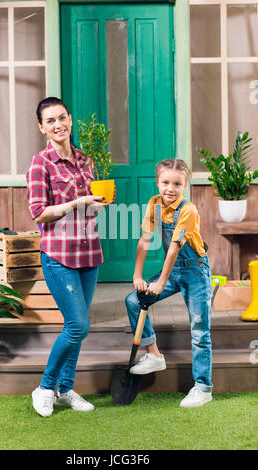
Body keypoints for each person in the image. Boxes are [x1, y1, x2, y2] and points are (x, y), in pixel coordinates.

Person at [27, 97, 113, 417]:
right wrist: (78, 202)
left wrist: (97, 203)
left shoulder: (86, 160)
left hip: (88, 252)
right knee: (78, 325)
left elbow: (89, 204)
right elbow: (39, 213)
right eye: (50, 121)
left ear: (71, 119)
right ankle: (46, 386)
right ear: (42, 128)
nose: (58, 125)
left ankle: (65, 388)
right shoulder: (40, 164)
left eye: (61, 118)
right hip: (58, 256)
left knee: (75, 325)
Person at [125, 158, 213, 408]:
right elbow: (144, 239)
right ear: (157, 182)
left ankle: (203, 387)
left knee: (199, 329)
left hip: (195, 271)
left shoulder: (188, 210)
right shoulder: (154, 204)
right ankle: (153, 355)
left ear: (185, 185)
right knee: (133, 300)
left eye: (177, 183)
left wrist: (161, 282)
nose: (170, 189)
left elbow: (174, 248)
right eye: (165, 182)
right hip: (171, 270)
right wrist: (137, 276)